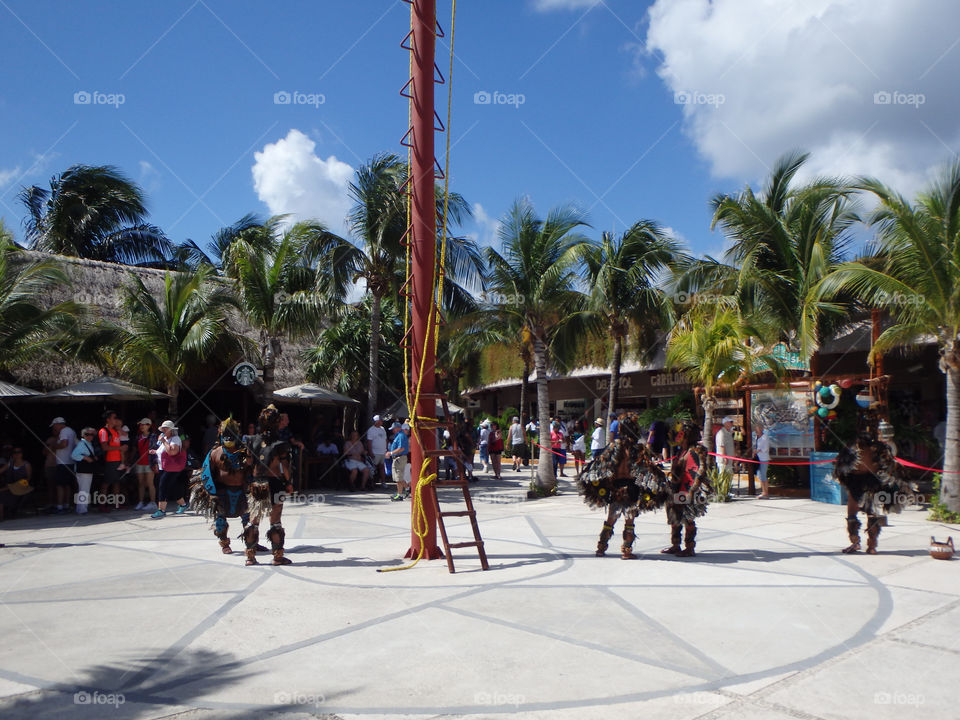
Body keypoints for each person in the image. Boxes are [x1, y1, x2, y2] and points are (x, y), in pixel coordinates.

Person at [578, 414, 667, 559]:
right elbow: (648, 470)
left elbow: (600, 465)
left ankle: (601, 548)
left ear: (621, 429)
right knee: (629, 521)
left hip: (617, 489)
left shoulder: (613, 447)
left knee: (610, 520)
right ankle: (626, 551)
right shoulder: (638, 449)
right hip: (631, 489)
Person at [834, 412, 917, 554]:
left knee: (869, 513)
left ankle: (868, 544)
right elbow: (841, 466)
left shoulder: (876, 448)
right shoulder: (855, 446)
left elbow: (889, 466)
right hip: (858, 482)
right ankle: (861, 543)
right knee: (857, 514)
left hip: (871, 482)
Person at [190, 417, 256, 560]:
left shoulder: (245, 452)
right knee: (220, 521)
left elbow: (252, 469)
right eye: (226, 434)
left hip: (241, 491)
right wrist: (212, 493)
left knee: (248, 519)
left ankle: (251, 543)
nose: (229, 437)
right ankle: (224, 543)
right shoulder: (215, 453)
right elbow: (206, 474)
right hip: (221, 492)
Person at [247, 405, 294, 565]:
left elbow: (248, 462)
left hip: (256, 483)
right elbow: (285, 467)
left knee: (253, 521)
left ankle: (250, 557)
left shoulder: (251, 440)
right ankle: (277, 557)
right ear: (277, 423)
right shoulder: (280, 443)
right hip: (275, 483)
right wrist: (289, 483)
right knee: (275, 521)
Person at [662, 422, 710, 557]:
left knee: (688, 518)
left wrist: (692, 490)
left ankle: (689, 547)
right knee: (674, 517)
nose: (679, 436)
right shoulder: (681, 450)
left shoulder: (695, 451)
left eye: (682, 433)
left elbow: (699, 471)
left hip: (688, 489)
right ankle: (675, 545)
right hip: (677, 488)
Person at [152, 420, 189, 518]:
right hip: (163, 466)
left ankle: (161, 510)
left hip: (171, 467)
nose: (163, 430)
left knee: (163, 486)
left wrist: (164, 441)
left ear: (171, 430)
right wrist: (155, 451)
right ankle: (183, 505)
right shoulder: (165, 438)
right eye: (163, 429)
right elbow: (163, 451)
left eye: (165, 428)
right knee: (172, 486)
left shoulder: (175, 439)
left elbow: (172, 452)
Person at [98, 411, 126, 512]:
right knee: (106, 483)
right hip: (109, 460)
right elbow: (104, 447)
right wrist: (120, 448)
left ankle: (116, 504)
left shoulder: (115, 431)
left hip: (117, 460)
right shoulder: (103, 431)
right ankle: (102, 505)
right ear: (108, 419)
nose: (116, 420)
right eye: (114, 418)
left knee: (116, 482)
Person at [50, 417, 77, 514]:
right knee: (67, 485)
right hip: (70, 462)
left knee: (60, 485)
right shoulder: (71, 431)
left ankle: (60, 507)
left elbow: (64, 444)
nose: (54, 428)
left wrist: (54, 446)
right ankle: (66, 505)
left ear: (58, 424)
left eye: (54, 426)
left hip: (63, 462)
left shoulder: (63, 431)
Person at [131, 418, 158, 511]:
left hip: (149, 463)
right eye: (141, 424)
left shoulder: (154, 437)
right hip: (139, 463)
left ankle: (153, 502)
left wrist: (156, 463)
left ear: (149, 425)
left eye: (144, 424)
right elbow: (135, 451)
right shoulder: (138, 437)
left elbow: (156, 450)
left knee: (150, 483)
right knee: (141, 483)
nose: (141, 426)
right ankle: (141, 502)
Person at [0, 446, 34, 521]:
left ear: (22, 454)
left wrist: (17, 485)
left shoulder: (26, 465)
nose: (17, 454)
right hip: (10, 488)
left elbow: (28, 479)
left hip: (22, 488)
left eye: (19, 452)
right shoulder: (10, 464)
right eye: (14, 452)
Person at [70, 428, 99, 514]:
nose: (89, 436)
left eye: (91, 435)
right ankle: (82, 509)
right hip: (83, 471)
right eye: (87, 434)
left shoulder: (87, 444)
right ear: (83, 435)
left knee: (84, 489)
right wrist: (85, 458)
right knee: (84, 490)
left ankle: (81, 508)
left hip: (86, 471)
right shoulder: (82, 444)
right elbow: (73, 455)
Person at [387, 422, 411, 501]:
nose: (393, 430)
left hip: (399, 458)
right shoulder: (399, 435)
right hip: (398, 458)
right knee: (399, 477)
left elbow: (401, 448)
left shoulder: (401, 436)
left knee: (398, 478)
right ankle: (407, 489)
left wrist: (391, 453)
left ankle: (399, 495)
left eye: (393, 428)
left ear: (398, 428)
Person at [366, 415, 388, 486]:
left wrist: (386, 449)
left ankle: (383, 482)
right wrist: (370, 452)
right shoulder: (371, 430)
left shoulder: (383, 429)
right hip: (375, 452)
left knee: (382, 467)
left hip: (383, 452)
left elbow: (385, 439)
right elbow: (369, 442)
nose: (382, 421)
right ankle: (372, 483)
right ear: (376, 421)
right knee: (373, 468)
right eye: (380, 420)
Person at [755, 426, 771, 499]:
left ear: (761, 429)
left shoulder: (765, 437)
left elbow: (765, 448)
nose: (756, 431)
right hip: (758, 458)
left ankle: (765, 492)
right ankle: (763, 491)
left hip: (764, 458)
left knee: (763, 475)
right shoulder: (756, 438)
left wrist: (757, 450)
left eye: (757, 429)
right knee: (759, 475)